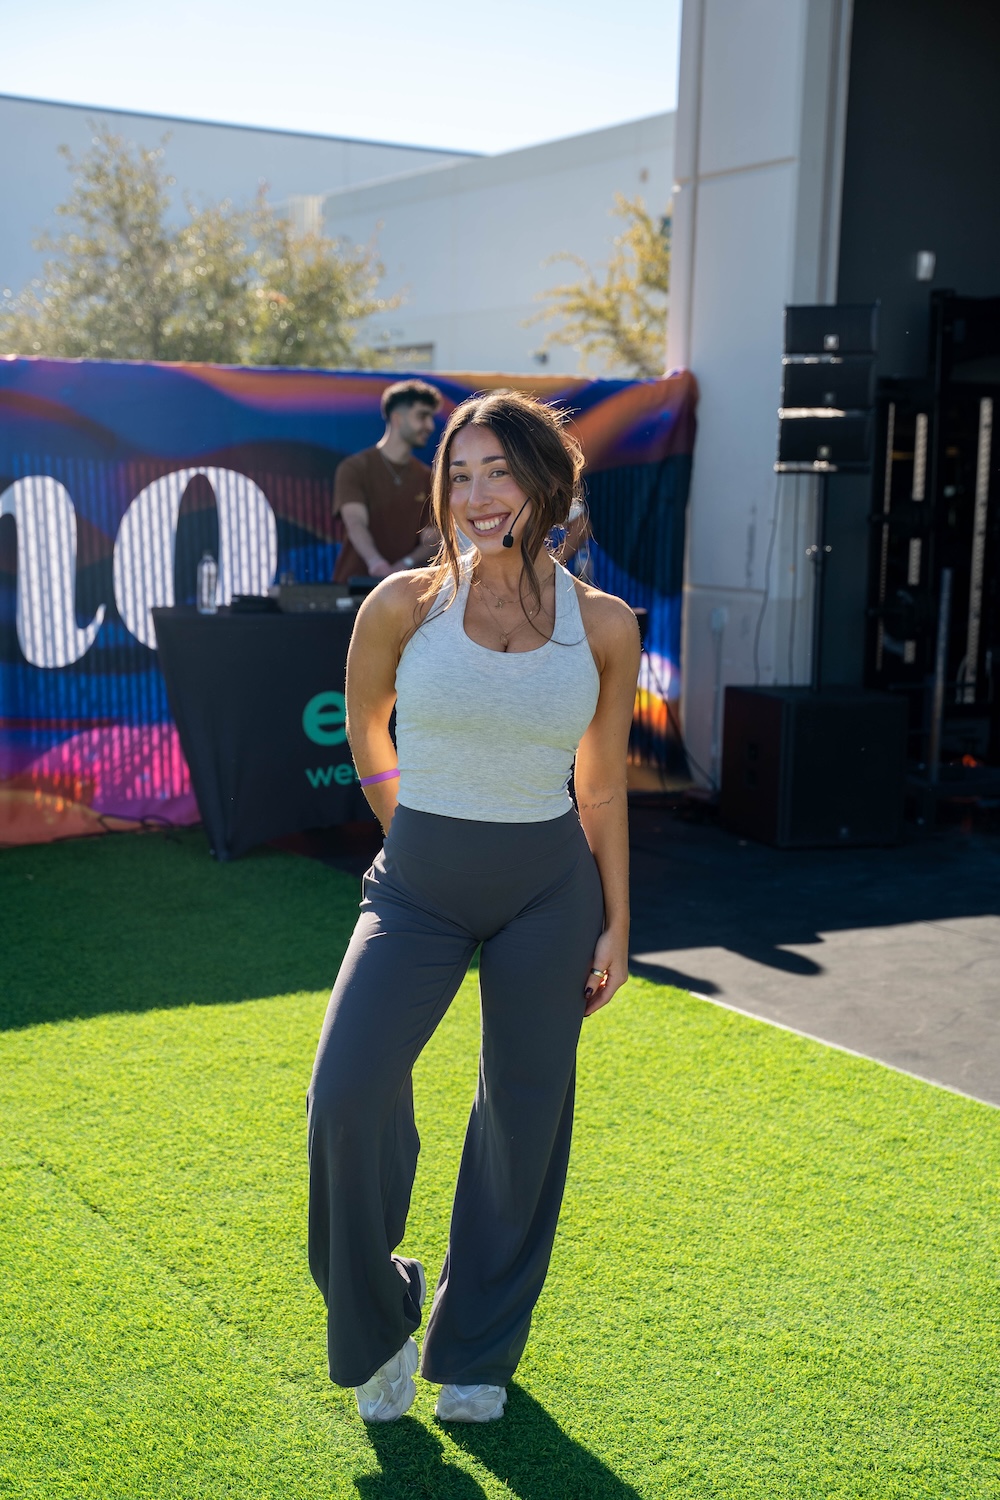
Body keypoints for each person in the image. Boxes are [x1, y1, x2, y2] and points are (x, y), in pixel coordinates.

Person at [307, 389, 641, 1425]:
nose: (477, 494)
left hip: (549, 890)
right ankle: (380, 1318)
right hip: (418, 883)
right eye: (460, 473)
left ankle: (479, 1347)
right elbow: (366, 728)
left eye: (499, 471)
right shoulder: (402, 604)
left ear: (549, 482)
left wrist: (617, 921)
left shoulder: (603, 625)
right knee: (346, 1095)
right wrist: (402, 828)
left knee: (524, 1116)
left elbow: (601, 784)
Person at [332, 378, 443, 584]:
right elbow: (355, 522)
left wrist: (403, 565)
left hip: (406, 590)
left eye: (431, 418)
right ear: (397, 418)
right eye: (422, 416)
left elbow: (432, 537)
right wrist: (376, 563)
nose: (430, 426)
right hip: (355, 587)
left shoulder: (428, 477)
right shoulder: (354, 468)